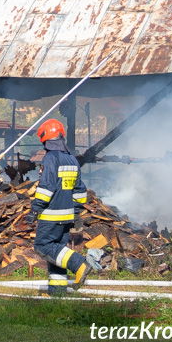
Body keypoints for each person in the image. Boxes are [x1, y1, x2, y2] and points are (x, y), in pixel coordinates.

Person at [28, 118, 100, 295]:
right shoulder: (72, 160)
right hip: (66, 216)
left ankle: (79, 264)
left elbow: (46, 187)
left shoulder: (51, 159)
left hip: (50, 214)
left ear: (46, 139)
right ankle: (58, 290)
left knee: (43, 246)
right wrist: (74, 212)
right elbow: (80, 191)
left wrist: (35, 208)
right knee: (57, 252)